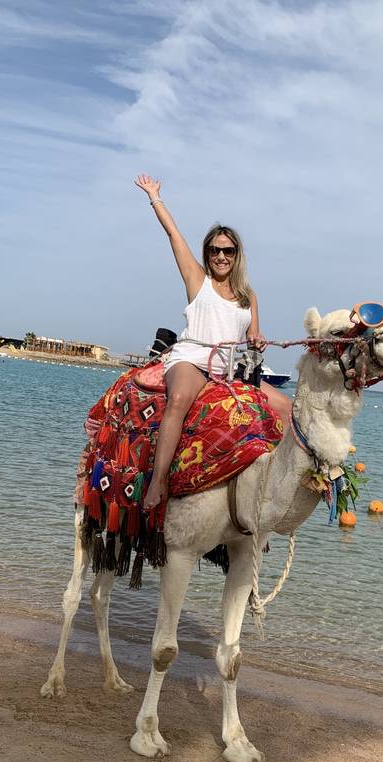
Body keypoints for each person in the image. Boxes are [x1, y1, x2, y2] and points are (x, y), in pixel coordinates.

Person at [134, 173, 292, 511]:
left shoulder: (248, 295)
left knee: (286, 408)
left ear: (237, 255)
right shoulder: (197, 279)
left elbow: (251, 339)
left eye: (228, 251)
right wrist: (155, 197)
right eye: (215, 250)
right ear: (208, 253)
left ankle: (273, 490)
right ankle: (158, 482)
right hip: (192, 359)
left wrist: (257, 342)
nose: (222, 256)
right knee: (178, 398)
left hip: (230, 370)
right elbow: (173, 235)